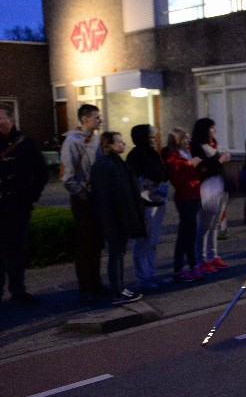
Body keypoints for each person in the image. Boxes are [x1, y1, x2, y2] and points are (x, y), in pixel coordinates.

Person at [0, 102, 48, 311]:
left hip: (17, 207)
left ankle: (18, 291)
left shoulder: (25, 144)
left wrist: (30, 196)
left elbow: (41, 173)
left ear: (9, 120)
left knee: (17, 251)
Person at [90, 132, 145, 305]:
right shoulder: (106, 166)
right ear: (111, 145)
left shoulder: (115, 164)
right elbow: (106, 197)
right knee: (116, 253)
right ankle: (117, 291)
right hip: (115, 218)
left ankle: (120, 288)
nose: (123, 145)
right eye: (120, 142)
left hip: (119, 217)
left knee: (119, 253)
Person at [61, 104, 106, 305]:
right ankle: (85, 288)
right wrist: (82, 192)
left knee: (97, 243)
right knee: (84, 244)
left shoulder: (95, 139)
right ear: (85, 119)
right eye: (97, 117)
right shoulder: (72, 142)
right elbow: (68, 176)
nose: (100, 120)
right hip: (83, 200)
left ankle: (96, 283)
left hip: (97, 198)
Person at [126, 125, 169, 291]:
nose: (154, 139)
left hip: (158, 200)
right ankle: (142, 276)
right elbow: (156, 174)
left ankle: (151, 273)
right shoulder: (136, 155)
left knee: (153, 240)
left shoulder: (152, 153)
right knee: (143, 241)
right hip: (145, 203)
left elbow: (163, 173)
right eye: (151, 136)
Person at [191, 118, 231, 274]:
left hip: (219, 185)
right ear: (204, 129)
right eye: (212, 128)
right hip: (207, 187)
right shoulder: (196, 146)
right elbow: (202, 168)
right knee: (204, 225)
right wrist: (219, 161)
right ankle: (201, 259)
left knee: (215, 224)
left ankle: (212, 255)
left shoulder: (213, 144)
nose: (215, 131)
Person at [163, 128, 203, 282]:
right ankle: (183, 267)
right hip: (184, 196)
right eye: (184, 138)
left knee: (190, 232)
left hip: (194, 193)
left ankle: (188, 266)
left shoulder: (187, 152)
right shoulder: (172, 155)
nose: (188, 140)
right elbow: (177, 179)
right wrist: (190, 166)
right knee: (186, 233)